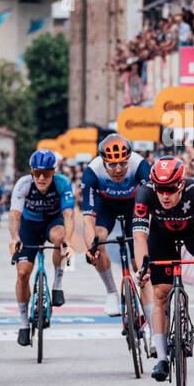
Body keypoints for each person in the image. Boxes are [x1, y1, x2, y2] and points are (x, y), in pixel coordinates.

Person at [132, 157, 194, 382]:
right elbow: (140, 236)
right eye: (160, 189)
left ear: (180, 185)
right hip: (161, 236)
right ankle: (162, 358)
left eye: (170, 188)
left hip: (192, 233)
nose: (164, 195)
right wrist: (142, 266)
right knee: (160, 293)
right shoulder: (145, 193)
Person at [9, 148, 74, 347]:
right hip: (29, 226)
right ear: (32, 172)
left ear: (54, 172)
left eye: (47, 172)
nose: (42, 177)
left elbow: (69, 215)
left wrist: (68, 241)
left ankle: (57, 285)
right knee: (22, 273)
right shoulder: (24, 184)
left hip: (51, 223)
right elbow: (15, 216)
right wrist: (15, 238)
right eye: (37, 172)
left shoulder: (62, 184)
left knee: (60, 239)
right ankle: (23, 323)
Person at [81, 134, 151, 317]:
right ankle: (111, 291)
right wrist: (91, 248)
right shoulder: (93, 171)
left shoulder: (140, 165)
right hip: (106, 207)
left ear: (129, 158)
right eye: (112, 165)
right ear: (103, 161)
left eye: (122, 163)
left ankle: (150, 312)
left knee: (139, 261)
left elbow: (154, 201)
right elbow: (88, 218)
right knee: (98, 240)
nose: (118, 169)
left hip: (134, 206)